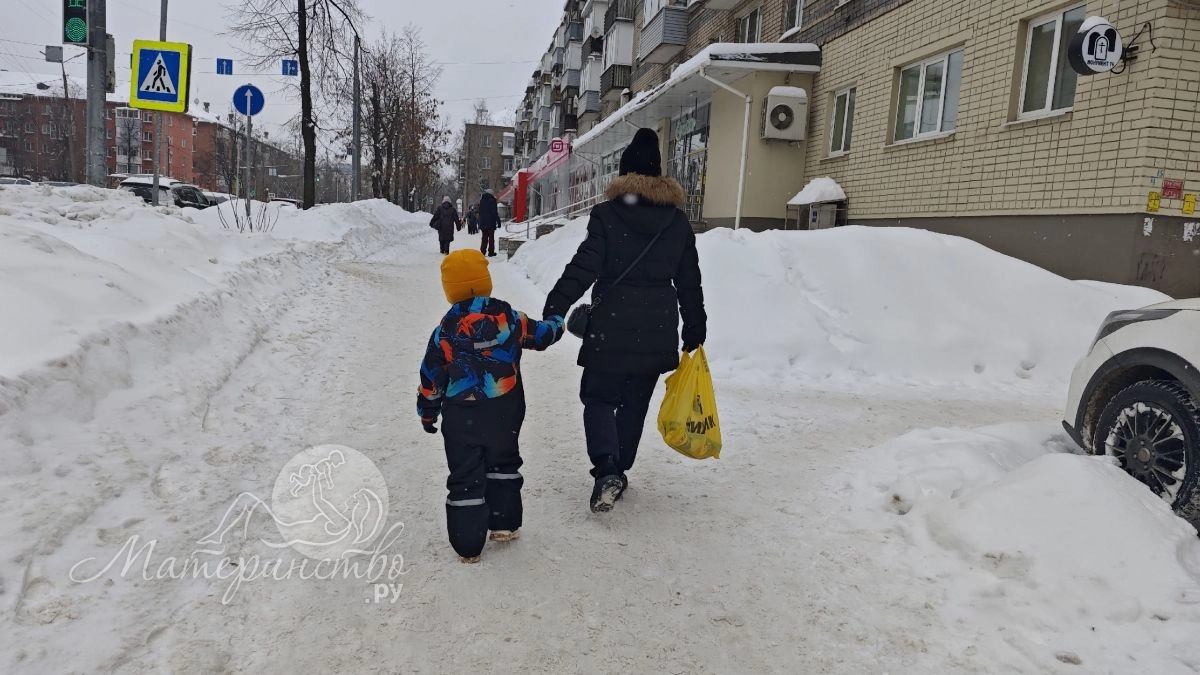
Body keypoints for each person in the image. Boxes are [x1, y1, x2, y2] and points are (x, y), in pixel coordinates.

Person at [543, 128, 707, 513]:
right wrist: (695, 324)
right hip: (657, 330)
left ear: (625, 171)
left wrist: (557, 304)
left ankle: (606, 467)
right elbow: (689, 281)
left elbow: (584, 266)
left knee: (598, 396)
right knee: (634, 401)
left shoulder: (608, 214)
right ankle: (620, 467)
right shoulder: (677, 223)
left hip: (611, 327)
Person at [418, 250, 565, 563]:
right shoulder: (510, 320)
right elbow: (542, 335)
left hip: (462, 415)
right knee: (503, 461)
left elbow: (431, 377)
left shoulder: (444, 331)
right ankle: (504, 524)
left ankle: (468, 545)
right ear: (485, 283)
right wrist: (559, 323)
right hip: (505, 409)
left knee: (465, 472)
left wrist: (428, 411)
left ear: (450, 290)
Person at [478, 188, 501, 257]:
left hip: (483, 222)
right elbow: (494, 212)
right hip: (490, 222)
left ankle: (482, 252)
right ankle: (491, 252)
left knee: (484, 238)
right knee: (491, 238)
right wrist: (498, 221)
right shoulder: (492, 200)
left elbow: (480, 212)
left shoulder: (481, 201)